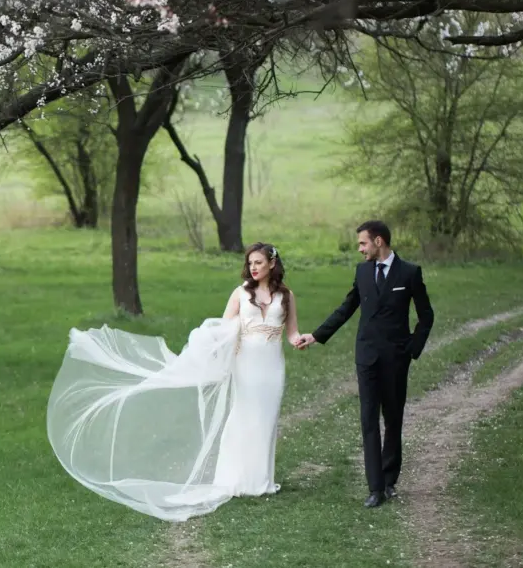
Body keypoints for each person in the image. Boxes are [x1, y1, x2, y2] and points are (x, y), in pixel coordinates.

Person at [46, 242, 301, 522]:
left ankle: (261, 481)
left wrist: (301, 339)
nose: (253, 268)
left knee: (266, 418)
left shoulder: (286, 296)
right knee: (243, 416)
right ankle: (235, 479)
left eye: (258, 263)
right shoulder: (240, 293)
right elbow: (223, 328)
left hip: (272, 366)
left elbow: (291, 333)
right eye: (250, 263)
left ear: (272, 264)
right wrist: (206, 349)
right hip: (246, 364)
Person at [296, 220, 434, 508]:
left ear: (378, 241)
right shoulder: (362, 272)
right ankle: (375, 488)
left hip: (396, 359)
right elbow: (346, 308)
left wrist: (412, 348)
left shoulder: (409, 273)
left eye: (363, 243)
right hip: (367, 357)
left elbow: (426, 315)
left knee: (393, 418)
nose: (360, 249)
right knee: (368, 419)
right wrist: (317, 335)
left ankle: (389, 479)